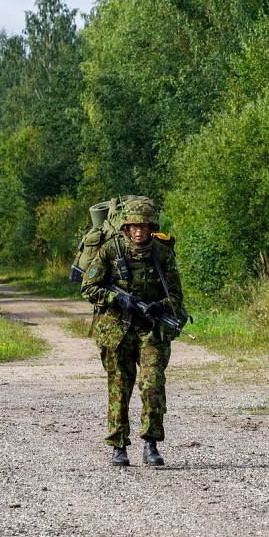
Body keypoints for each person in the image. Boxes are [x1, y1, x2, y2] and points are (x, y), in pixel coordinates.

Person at [81, 196, 183, 467]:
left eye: (145, 226)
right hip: (117, 330)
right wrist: (117, 300)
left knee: (152, 385)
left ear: (152, 227)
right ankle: (118, 446)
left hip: (150, 330)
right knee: (119, 388)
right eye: (135, 226)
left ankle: (151, 444)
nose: (140, 230)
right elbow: (88, 288)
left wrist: (158, 306)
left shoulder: (162, 254)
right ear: (125, 227)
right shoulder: (111, 251)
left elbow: (175, 296)